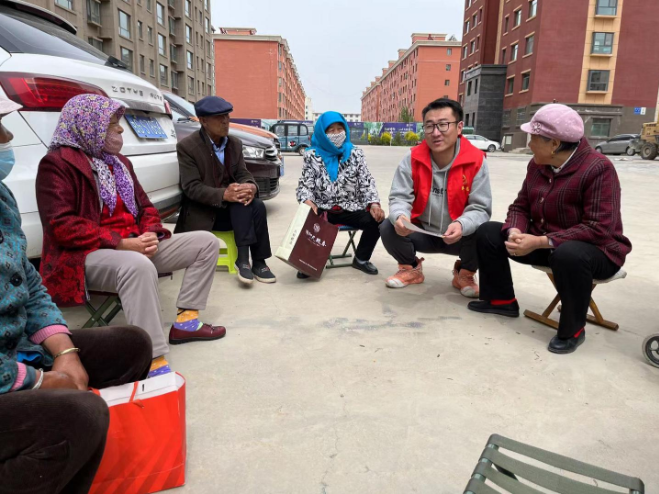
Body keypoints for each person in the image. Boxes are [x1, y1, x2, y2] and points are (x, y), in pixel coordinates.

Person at [0, 95, 153, 494]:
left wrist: (64, 351)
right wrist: (37, 382)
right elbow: (64, 227)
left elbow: (27, 283)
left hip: (19, 347)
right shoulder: (60, 164)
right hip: (8, 368)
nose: (7, 138)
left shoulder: (2, 199)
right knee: (81, 414)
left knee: (133, 345)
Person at [36, 94, 225, 377]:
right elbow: (61, 226)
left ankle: (186, 322)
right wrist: (121, 243)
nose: (120, 129)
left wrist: (149, 233)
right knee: (137, 266)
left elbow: (145, 206)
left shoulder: (119, 162)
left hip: (133, 244)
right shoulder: (58, 164)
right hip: (86, 254)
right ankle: (152, 359)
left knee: (205, 242)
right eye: (112, 124)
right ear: (88, 126)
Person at [468, 103, 632, 354]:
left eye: (533, 138)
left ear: (554, 143)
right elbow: (520, 206)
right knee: (489, 232)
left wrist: (540, 242)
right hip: (546, 245)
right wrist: (515, 232)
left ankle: (572, 331)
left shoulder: (598, 169)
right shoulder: (538, 164)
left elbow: (598, 228)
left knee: (569, 254)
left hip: (596, 252)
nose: (530, 143)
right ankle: (501, 300)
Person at [380, 98, 492, 297]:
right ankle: (410, 268)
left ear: (459, 127)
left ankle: (464, 274)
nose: (436, 132)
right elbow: (399, 196)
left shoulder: (475, 161)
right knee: (388, 226)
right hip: (421, 232)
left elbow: (480, 208)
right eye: (429, 126)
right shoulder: (412, 158)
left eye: (443, 124)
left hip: (459, 235)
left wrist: (462, 224)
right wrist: (400, 216)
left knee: (486, 232)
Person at [175, 96, 276, 285]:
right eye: (219, 117)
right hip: (206, 213)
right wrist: (224, 194)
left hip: (232, 212)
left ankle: (258, 262)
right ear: (203, 121)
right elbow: (191, 187)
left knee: (255, 204)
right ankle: (243, 260)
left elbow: (242, 173)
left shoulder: (234, 144)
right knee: (239, 202)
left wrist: (250, 186)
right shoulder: (188, 147)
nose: (225, 121)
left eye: (227, 116)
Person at [296, 111, 384, 279]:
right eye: (331, 130)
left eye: (340, 128)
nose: (337, 133)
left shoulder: (355, 153)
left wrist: (374, 203)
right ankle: (308, 261)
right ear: (322, 133)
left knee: (378, 221)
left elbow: (366, 181)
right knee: (306, 216)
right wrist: (307, 200)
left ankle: (361, 259)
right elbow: (305, 184)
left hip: (350, 208)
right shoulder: (312, 155)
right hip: (323, 208)